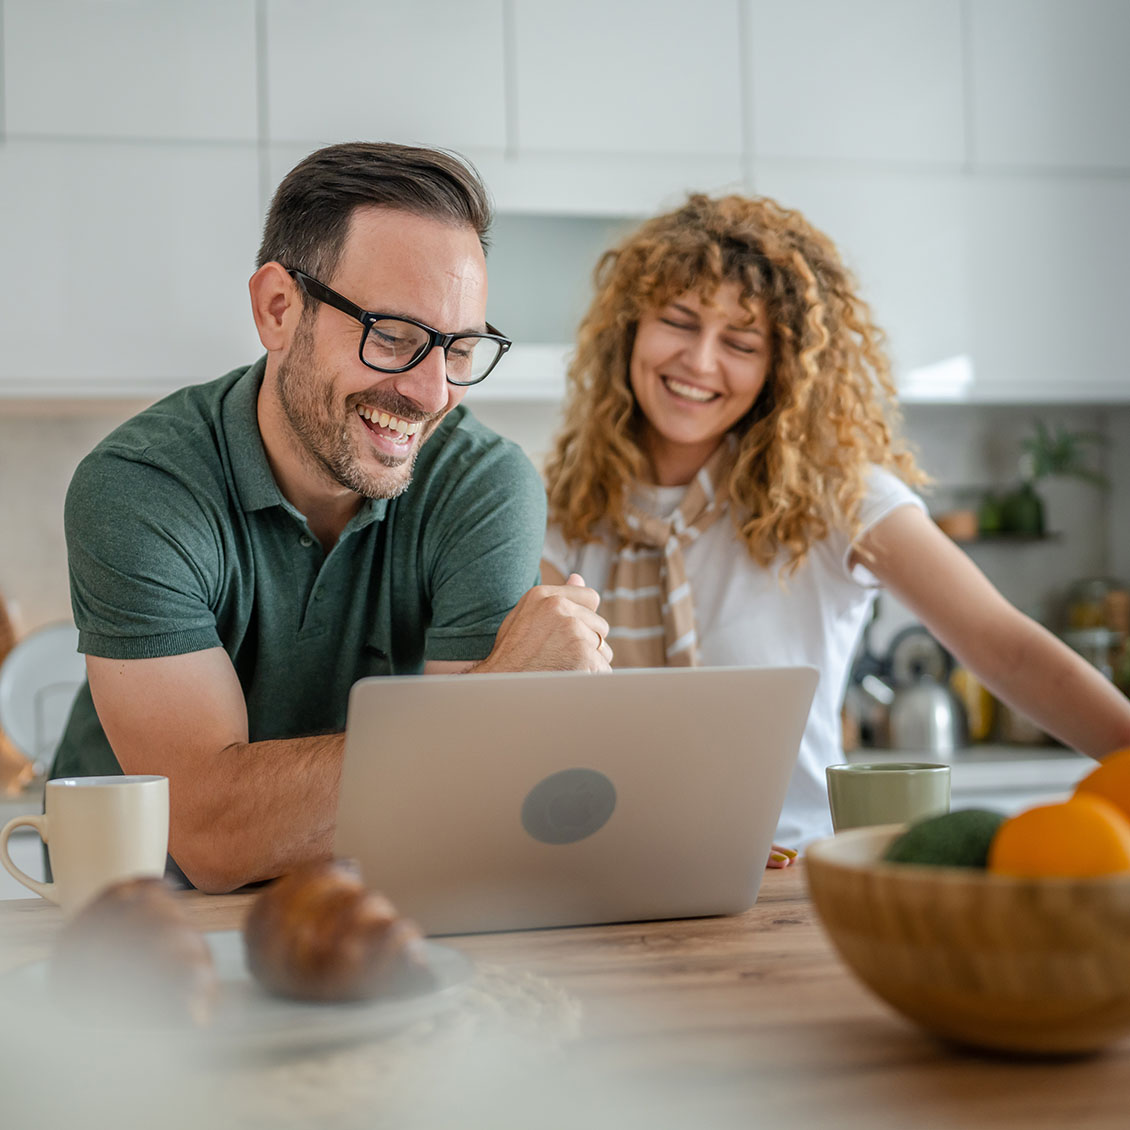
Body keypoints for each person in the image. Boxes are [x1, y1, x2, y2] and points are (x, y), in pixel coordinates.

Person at [50, 141, 612, 893]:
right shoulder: (142, 488)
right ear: (278, 309)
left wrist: (480, 729)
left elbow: (473, 799)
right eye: (393, 337)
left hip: (362, 900)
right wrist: (495, 695)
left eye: (459, 350)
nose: (432, 394)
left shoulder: (483, 485)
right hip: (139, 909)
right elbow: (213, 835)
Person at [541, 192, 1130, 852]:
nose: (700, 362)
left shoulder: (836, 499)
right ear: (629, 328)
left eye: (741, 342)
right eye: (678, 321)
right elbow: (526, 709)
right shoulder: (558, 511)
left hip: (792, 872)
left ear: (781, 368)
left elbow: (1009, 651)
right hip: (604, 867)